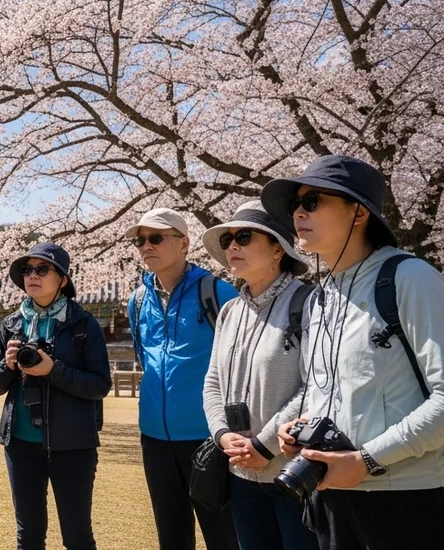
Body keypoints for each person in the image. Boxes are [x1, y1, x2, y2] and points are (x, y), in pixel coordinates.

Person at [262, 155, 444, 549]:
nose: (297, 213)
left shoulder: (410, 278)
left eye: (312, 201)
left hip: (406, 500)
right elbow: (323, 388)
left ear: (358, 212)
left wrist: (367, 460)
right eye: (295, 204)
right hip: (331, 495)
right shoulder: (319, 297)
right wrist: (300, 427)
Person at [199, 201, 317, 550]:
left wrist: (264, 446)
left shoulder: (310, 303)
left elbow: (316, 386)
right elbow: (213, 382)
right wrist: (223, 435)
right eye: (228, 240)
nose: (232, 246)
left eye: (244, 237)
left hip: (294, 470)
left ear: (278, 249)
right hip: (239, 471)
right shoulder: (230, 311)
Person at [126, 208, 239, 550]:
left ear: (184, 243)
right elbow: (144, 358)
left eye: (156, 238)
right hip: (154, 437)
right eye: (140, 240)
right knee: (171, 535)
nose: (146, 246)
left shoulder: (218, 293)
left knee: (224, 535)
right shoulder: (137, 300)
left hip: (209, 436)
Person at [0, 242, 111, 550]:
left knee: (77, 535)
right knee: (28, 535)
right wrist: (8, 365)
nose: (33, 275)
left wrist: (53, 369)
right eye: (27, 269)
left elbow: (99, 385)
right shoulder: (12, 323)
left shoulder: (83, 324)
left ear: (63, 279)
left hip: (73, 444)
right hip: (20, 443)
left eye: (43, 269)